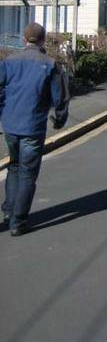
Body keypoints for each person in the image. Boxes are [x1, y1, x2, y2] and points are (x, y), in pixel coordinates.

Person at [0, 23, 68, 237]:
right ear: (43, 40)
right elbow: (60, 96)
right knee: (28, 173)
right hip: (33, 125)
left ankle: (9, 212)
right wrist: (59, 119)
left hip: (10, 123)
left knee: (14, 166)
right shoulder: (50, 64)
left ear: (24, 40)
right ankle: (18, 222)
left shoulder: (9, 61)